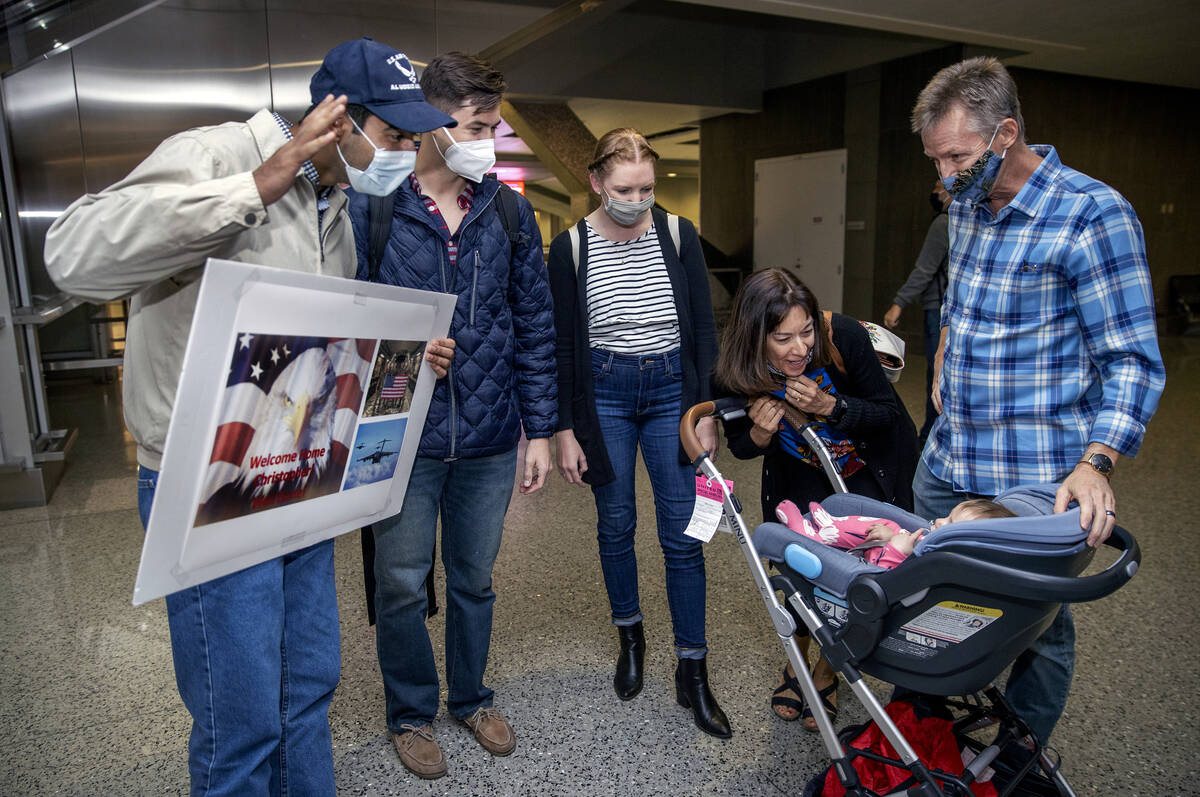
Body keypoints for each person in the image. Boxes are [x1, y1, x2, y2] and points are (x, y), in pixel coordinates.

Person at [42, 37, 455, 796]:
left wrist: (397, 362)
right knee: (241, 718)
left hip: (297, 482)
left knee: (307, 691)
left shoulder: (342, 208)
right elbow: (71, 255)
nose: (405, 152)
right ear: (341, 122)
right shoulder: (219, 154)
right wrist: (256, 187)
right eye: (396, 135)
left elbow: (308, 350)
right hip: (209, 490)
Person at [911, 56, 1165, 743]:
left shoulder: (1092, 214)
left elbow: (1133, 360)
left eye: (957, 156)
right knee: (921, 602)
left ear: (1006, 134)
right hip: (947, 457)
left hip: (1031, 475)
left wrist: (1097, 462)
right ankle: (927, 734)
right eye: (936, 160)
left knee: (1036, 628)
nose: (945, 176)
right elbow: (961, 302)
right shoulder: (965, 205)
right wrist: (943, 349)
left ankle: (1020, 760)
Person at [348, 51, 557, 780]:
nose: (488, 140)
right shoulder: (373, 208)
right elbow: (342, 324)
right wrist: (403, 349)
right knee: (400, 582)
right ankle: (410, 711)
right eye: (476, 125)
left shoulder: (507, 210)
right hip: (403, 437)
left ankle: (472, 696)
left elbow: (534, 324)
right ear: (432, 123)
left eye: (494, 127)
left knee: (474, 576)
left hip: (493, 436)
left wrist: (539, 428)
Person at [548, 129, 728, 738]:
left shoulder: (676, 235)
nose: (638, 199)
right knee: (616, 523)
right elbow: (563, 349)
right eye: (625, 189)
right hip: (604, 396)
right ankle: (631, 637)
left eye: (647, 188)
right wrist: (566, 430)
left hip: (671, 396)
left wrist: (707, 412)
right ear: (597, 182)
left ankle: (693, 669)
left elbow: (704, 329)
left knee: (683, 535)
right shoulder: (571, 247)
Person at [716, 267, 919, 731]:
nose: (800, 348)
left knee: (856, 575)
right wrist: (761, 432)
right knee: (799, 570)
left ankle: (828, 672)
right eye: (783, 338)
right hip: (799, 473)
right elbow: (741, 447)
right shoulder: (735, 367)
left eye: (806, 332)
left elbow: (889, 415)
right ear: (755, 337)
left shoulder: (842, 337)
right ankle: (798, 662)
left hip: (869, 470)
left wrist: (832, 407)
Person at [883, 182, 951, 444]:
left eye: (937, 187)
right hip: (952, 309)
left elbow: (925, 270)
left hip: (939, 309)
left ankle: (930, 440)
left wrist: (898, 303)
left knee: (937, 375)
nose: (934, 192)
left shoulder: (943, 223)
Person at [775, 497, 1016, 570]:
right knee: (887, 526)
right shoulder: (937, 547)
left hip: (871, 570)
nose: (939, 521)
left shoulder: (938, 566)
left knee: (883, 532)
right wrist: (890, 537)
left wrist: (893, 550)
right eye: (947, 515)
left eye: (949, 523)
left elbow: (887, 580)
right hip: (885, 548)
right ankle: (833, 525)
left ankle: (813, 536)